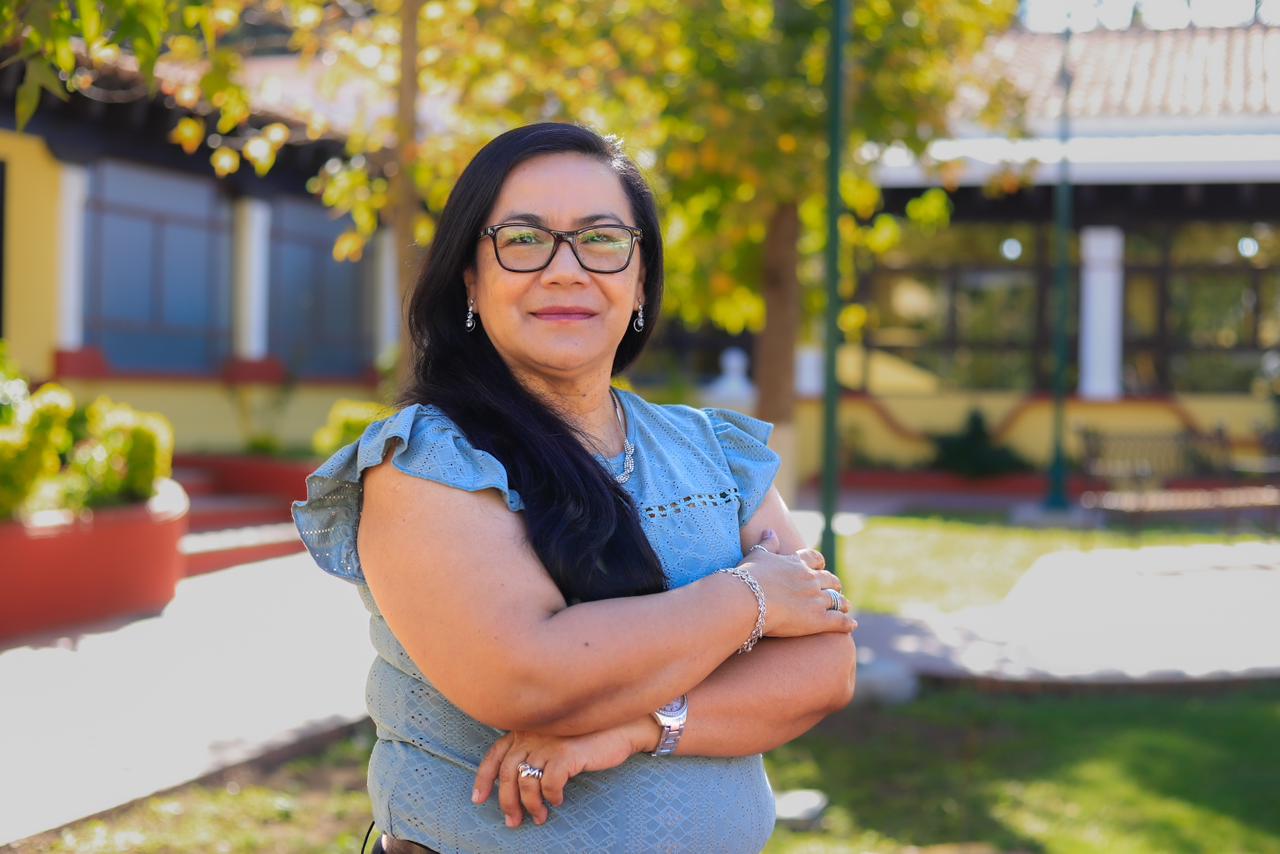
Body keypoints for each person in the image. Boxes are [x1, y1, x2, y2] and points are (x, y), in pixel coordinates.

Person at [292, 122, 858, 854]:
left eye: (601, 239)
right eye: (524, 240)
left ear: (640, 279)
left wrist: (640, 728)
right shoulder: (431, 460)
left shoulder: (713, 452)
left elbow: (824, 666)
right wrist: (753, 596)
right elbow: (530, 681)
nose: (566, 270)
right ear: (470, 278)